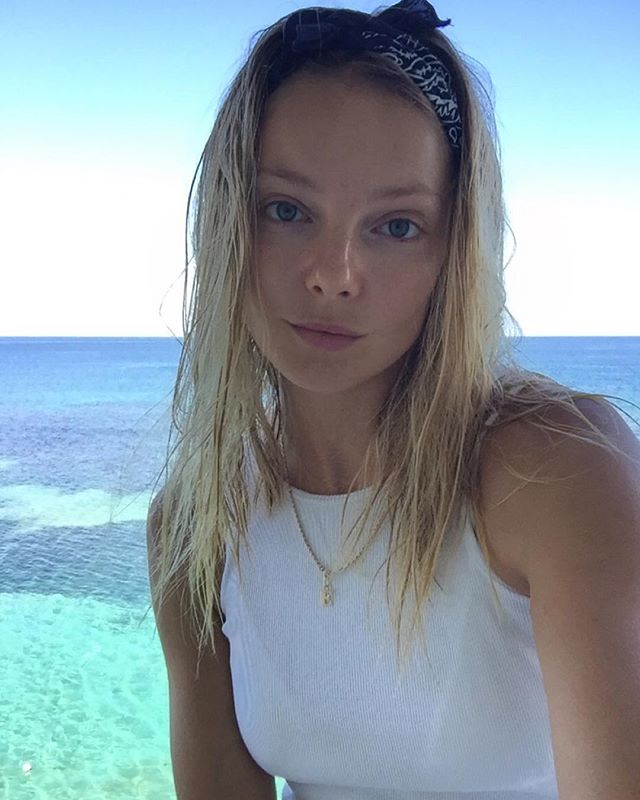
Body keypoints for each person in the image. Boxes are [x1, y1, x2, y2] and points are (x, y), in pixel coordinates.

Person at [145, 2, 640, 798]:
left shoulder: (554, 473)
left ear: (453, 251)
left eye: (397, 226)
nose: (334, 273)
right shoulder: (196, 523)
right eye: (287, 210)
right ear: (229, 225)